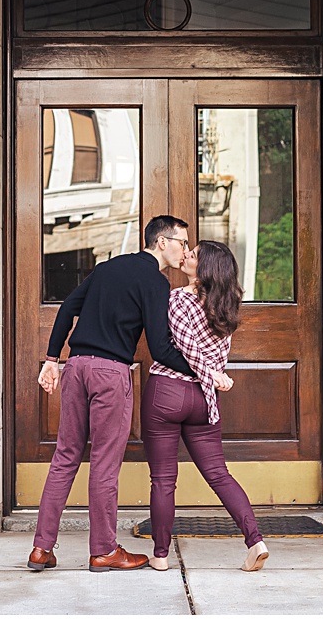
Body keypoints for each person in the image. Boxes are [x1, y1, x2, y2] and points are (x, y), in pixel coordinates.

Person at [28, 214, 198, 573]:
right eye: (182, 242)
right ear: (162, 242)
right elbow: (161, 348)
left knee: (65, 457)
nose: (185, 249)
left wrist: (50, 359)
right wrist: (202, 370)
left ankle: (41, 548)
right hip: (110, 373)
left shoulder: (108, 267)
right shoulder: (155, 283)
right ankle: (104, 550)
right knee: (104, 464)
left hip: (75, 367)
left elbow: (67, 308)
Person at [141, 238, 269, 573]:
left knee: (164, 479)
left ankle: (160, 555)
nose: (186, 255)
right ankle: (255, 541)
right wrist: (214, 375)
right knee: (219, 474)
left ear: (204, 267)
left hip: (167, 391)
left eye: (193, 255)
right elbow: (216, 357)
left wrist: (211, 373)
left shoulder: (177, 299)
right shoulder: (226, 307)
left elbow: (183, 347)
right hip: (203, 399)